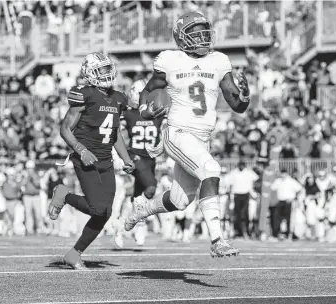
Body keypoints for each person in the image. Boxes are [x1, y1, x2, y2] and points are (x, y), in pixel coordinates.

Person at [122, 12, 250, 257]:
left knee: (181, 201)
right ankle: (217, 240)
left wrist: (245, 94)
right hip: (177, 131)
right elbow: (149, 89)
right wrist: (145, 110)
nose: (202, 36)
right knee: (211, 169)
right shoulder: (170, 60)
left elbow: (238, 106)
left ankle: (143, 209)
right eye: (196, 32)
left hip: (202, 138)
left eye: (204, 30)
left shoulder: (219, 61)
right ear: (182, 36)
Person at [47, 52, 135, 269]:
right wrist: (81, 149)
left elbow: (114, 135)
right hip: (85, 157)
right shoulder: (83, 94)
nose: (106, 74)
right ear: (89, 73)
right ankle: (63, 194)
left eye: (108, 69)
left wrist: (126, 158)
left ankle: (74, 253)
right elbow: (65, 129)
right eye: (101, 70)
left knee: (105, 212)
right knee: (98, 209)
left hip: (105, 159)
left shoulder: (118, 98)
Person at [114, 79, 165, 247]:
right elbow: (114, 132)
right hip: (135, 156)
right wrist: (117, 155)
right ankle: (140, 223)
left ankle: (121, 226)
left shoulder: (157, 113)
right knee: (151, 188)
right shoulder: (128, 113)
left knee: (137, 196)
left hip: (150, 159)